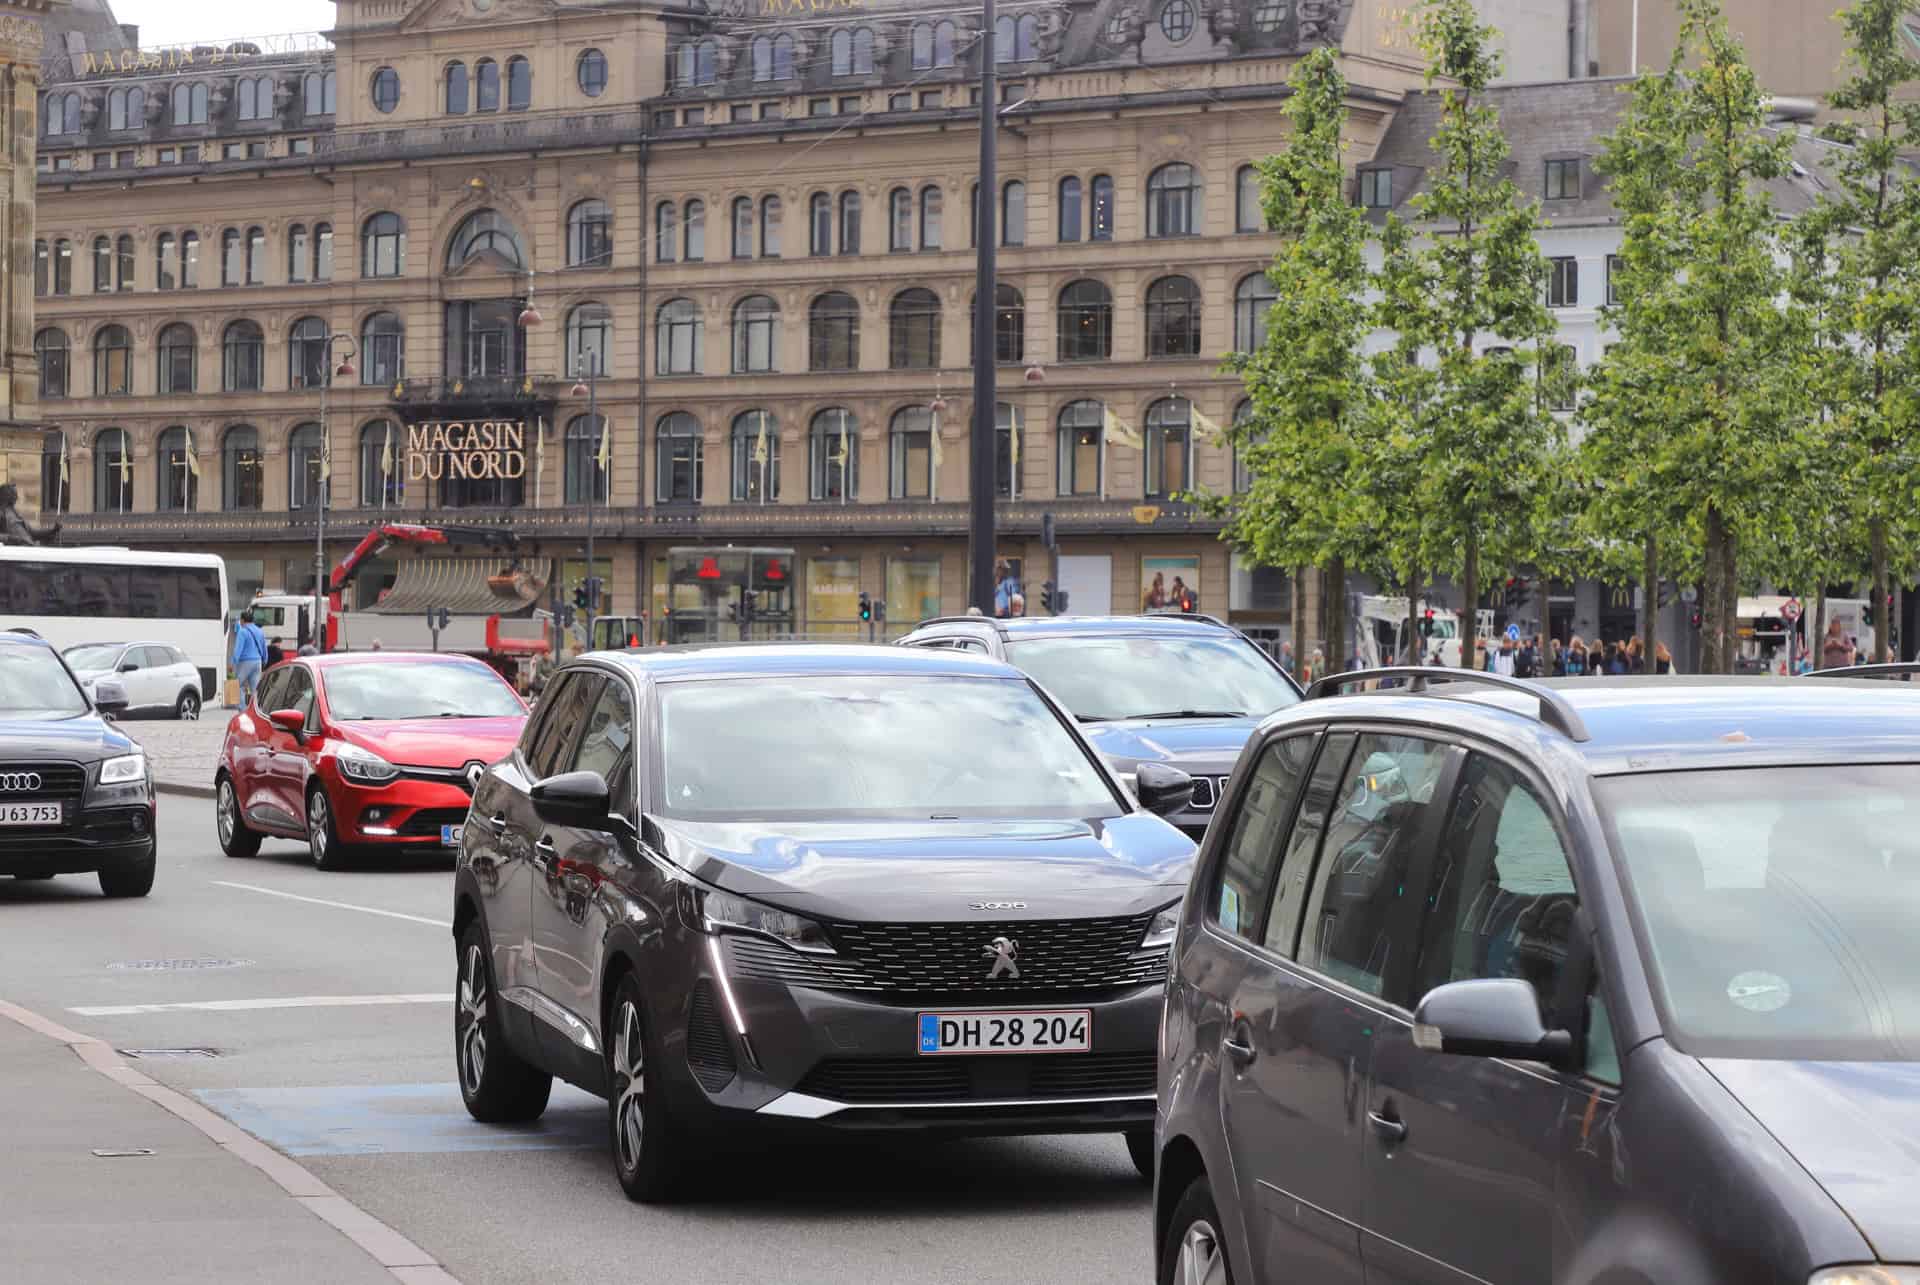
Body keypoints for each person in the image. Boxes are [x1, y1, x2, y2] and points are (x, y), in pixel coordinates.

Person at [231, 609, 268, 706]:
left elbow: (238, 649)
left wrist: (233, 662)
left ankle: (242, 710)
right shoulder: (260, 631)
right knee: (255, 689)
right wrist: (265, 660)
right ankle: (255, 711)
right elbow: (264, 647)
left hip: (245, 662)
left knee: (238, 686)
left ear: (242, 620)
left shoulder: (243, 631)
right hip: (258, 662)